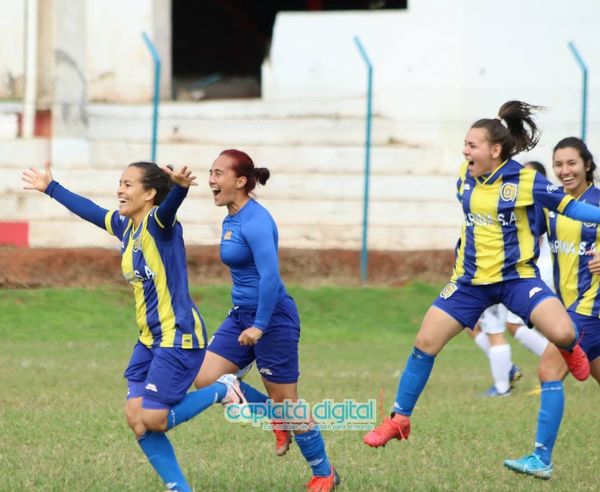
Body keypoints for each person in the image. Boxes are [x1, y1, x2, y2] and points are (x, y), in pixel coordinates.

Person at [363, 101, 600, 452]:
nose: (465, 151)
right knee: (424, 343)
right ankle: (399, 419)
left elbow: (573, 208)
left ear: (495, 149)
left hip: (516, 279)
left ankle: (570, 349)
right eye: (465, 144)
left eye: (472, 145)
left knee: (565, 331)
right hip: (469, 283)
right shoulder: (465, 176)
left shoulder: (524, 180)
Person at [22, 161, 246, 492]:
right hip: (148, 340)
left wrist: (181, 188)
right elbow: (91, 211)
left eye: (128, 184)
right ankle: (179, 489)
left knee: (154, 419)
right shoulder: (125, 227)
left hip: (177, 336)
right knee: (136, 419)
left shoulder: (159, 224)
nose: (120, 190)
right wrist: (50, 187)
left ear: (150, 193)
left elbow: (169, 209)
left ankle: (223, 389)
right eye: (119, 183)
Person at [193, 149, 339, 491]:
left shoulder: (257, 220)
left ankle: (324, 474)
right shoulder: (231, 216)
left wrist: (259, 325)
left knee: (288, 403)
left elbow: (270, 277)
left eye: (218, 174)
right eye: (210, 173)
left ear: (240, 181)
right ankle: (274, 415)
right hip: (242, 315)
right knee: (205, 377)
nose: (211, 181)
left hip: (272, 318)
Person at [505, 137, 600, 479]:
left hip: (588, 309)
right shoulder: (554, 206)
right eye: (558, 164)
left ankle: (541, 458)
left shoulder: (598, 205)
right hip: (570, 308)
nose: (564, 171)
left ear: (587, 165)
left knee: (548, 371)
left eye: (572, 163)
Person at [467, 161, 551, 397]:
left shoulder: (531, 203)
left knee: (502, 327)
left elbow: (534, 240)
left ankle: (506, 385)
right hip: (510, 271)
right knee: (471, 323)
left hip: (515, 273)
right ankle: (508, 369)